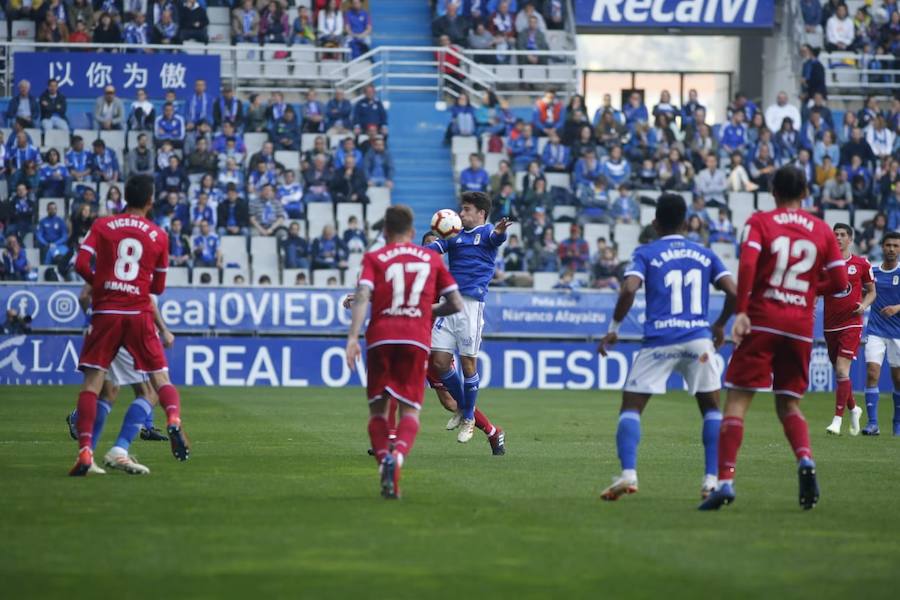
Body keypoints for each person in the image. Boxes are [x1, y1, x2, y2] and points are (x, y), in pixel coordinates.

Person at [700, 166, 848, 511]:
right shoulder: (824, 231)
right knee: (789, 404)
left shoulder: (760, 221)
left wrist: (743, 311)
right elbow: (840, 282)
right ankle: (806, 460)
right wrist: (810, 291)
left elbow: (748, 266)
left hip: (763, 320)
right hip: (799, 326)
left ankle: (725, 481)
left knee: (737, 400)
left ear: (772, 191)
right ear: (807, 192)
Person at [598, 193, 737, 501]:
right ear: (687, 222)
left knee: (631, 407)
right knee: (711, 408)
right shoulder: (705, 253)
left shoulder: (646, 252)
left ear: (655, 222)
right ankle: (711, 480)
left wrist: (614, 330)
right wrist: (719, 325)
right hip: (698, 339)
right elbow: (734, 292)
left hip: (659, 340)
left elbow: (629, 288)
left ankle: (628, 474)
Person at [69, 175, 190, 476]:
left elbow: (81, 264)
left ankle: (86, 450)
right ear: (151, 200)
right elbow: (158, 288)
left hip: (107, 312)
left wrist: (104, 286)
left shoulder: (102, 225)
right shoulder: (159, 235)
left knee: (95, 385)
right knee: (157, 381)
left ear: (124, 196)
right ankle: (172, 418)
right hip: (138, 314)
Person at [346, 205, 463, 499]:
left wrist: (351, 337)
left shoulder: (374, 258)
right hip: (416, 338)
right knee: (410, 410)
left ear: (385, 232)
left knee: (378, 410)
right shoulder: (431, 258)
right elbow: (456, 303)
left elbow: (362, 297)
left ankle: (384, 458)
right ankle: (397, 458)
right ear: (412, 232)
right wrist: (424, 310)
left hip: (381, 337)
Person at [425, 192, 511, 443]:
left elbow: (497, 238)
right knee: (439, 363)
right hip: (448, 304)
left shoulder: (486, 233)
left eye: (466, 210)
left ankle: (469, 417)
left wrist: (501, 231)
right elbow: (431, 250)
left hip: (470, 307)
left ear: (480, 213)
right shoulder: (454, 236)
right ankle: (466, 411)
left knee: (467, 366)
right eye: (461, 210)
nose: (461, 214)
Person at [820, 224, 875, 436]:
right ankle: (854, 408)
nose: (838, 238)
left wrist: (864, 305)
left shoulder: (861, 263)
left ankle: (836, 420)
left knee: (843, 370)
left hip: (852, 322)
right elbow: (818, 288)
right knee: (840, 372)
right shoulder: (825, 265)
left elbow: (871, 292)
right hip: (830, 325)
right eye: (836, 235)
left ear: (850, 239)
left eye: (843, 235)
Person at [860, 232, 900, 437]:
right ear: (882, 247)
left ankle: (897, 423)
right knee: (872, 373)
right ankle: (872, 423)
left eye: (895, 245)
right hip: (875, 330)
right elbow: (862, 294)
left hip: (898, 334)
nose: (891, 249)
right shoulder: (872, 272)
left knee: (898, 380)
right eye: (888, 245)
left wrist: (897, 308)